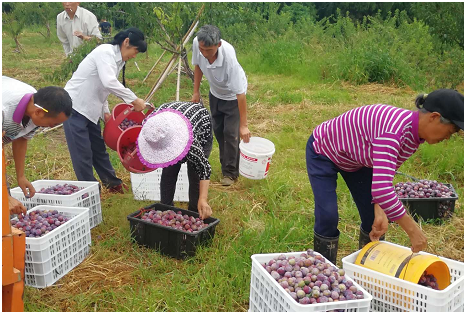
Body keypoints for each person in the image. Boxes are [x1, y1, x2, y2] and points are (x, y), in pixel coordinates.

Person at [306, 89, 463, 265]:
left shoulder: (414, 135)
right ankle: (322, 272)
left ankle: (366, 271)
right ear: (434, 117)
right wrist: (413, 231)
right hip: (324, 152)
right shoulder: (394, 132)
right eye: (449, 131)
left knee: (375, 219)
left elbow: (386, 175)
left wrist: (380, 209)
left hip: (359, 160)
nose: (447, 138)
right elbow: (382, 190)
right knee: (328, 215)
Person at [63, 27, 148, 194]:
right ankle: (90, 191)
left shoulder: (118, 60)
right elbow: (109, 82)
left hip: (92, 110)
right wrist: (134, 99)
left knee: (98, 149)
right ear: (126, 43)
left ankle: (112, 183)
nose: (134, 56)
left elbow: (102, 87)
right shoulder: (105, 52)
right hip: (75, 106)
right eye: (135, 51)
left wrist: (106, 112)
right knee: (82, 153)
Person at [191, 25, 251, 186]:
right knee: (218, 131)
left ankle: (230, 173)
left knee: (231, 133)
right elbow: (198, 66)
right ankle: (226, 163)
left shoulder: (229, 58)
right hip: (215, 93)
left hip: (232, 97)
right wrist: (196, 91)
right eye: (202, 49)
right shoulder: (198, 43)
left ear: (218, 45)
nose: (204, 53)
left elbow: (240, 95)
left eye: (208, 50)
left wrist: (243, 125)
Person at [137, 101, 213, 219]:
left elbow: (204, 169)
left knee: (194, 174)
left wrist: (203, 199)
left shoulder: (192, 144)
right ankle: (165, 209)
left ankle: (194, 211)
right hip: (173, 119)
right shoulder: (150, 127)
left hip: (201, 124)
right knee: (169, 171)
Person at [2, 76, 73, 199]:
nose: (51, 126)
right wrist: (5, 197)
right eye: (54, 124)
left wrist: (21, 176)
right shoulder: (4, 110)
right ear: (39, 112)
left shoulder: (37, 106)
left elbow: (21, 139)